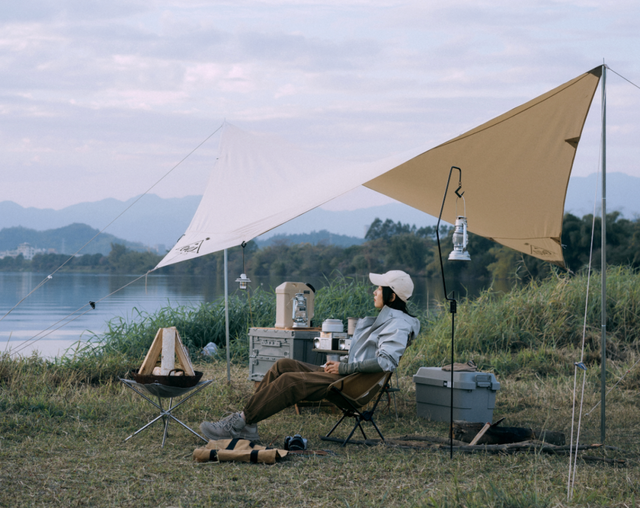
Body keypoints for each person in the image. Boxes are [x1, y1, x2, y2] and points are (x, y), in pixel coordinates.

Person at [200, 270, 421, 441]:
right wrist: (342, 364)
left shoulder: (399, 324)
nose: (374, 291)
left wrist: (343, 368)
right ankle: (247, 424)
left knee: (290, 381)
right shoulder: (389, 319)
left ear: (391, 295)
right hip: (347, 375)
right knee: (283, 365)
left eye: (379, 288)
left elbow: (385, 362)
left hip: (352, 385)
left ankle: (238, 423)